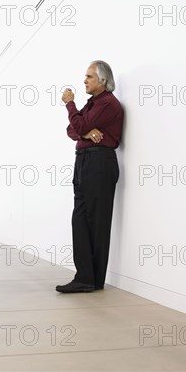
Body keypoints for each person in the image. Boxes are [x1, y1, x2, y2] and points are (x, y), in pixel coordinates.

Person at [57, 60, 124, 293]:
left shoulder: (108, 104)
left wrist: (70, 105)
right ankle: (85, 277)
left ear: (103, 80)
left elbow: (77, 123)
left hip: (99, 163)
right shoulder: (93, 104)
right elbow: (71, 130)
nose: (84, 81)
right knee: (80, 220)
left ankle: (92, 280)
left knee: (97, 223)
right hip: (85, 162)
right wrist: (85, 130)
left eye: (89, 77)